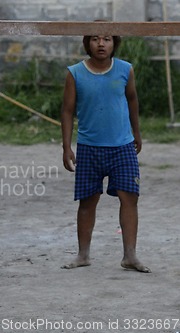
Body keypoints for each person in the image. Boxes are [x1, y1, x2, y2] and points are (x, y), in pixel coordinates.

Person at [60, 34, 150, 273]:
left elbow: (132, 100)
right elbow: (67, 110)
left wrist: (137, 133)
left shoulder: (125, 69)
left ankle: (130, 256)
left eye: (107, 39)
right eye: (96, 39)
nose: (101, 44)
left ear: (115, 44)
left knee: (130, 197)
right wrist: (66, 146)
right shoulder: (75, 73)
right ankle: (83, 255)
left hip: (122, 146)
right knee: (87, 201)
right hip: (89, 147)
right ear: (87, 43)